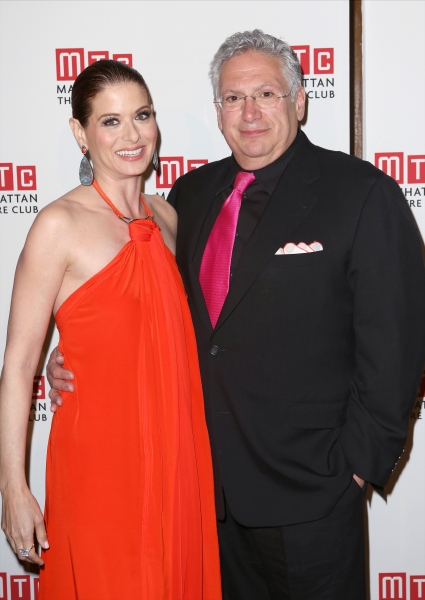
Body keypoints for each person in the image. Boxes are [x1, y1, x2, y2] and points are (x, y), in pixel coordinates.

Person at [47, 31, 425, 600]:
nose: (248, 113)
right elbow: (155, 307)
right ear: (217, 110)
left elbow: (397, 346)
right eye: (232, 98)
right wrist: (75, 350)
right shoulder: (191, 195)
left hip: (311, 493)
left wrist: (354, 470)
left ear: (299, 101)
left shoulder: (362, 194)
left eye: (266, 95)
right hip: (203, 494)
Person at [0, 59, 221, 600]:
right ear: (80, 132)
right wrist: (12, 486)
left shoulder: (170, 218)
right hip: (100, 459)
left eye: (142, 115)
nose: (132, 134)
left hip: (176, 454)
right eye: (111, 121)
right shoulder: (59, 224)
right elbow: (20, 366)